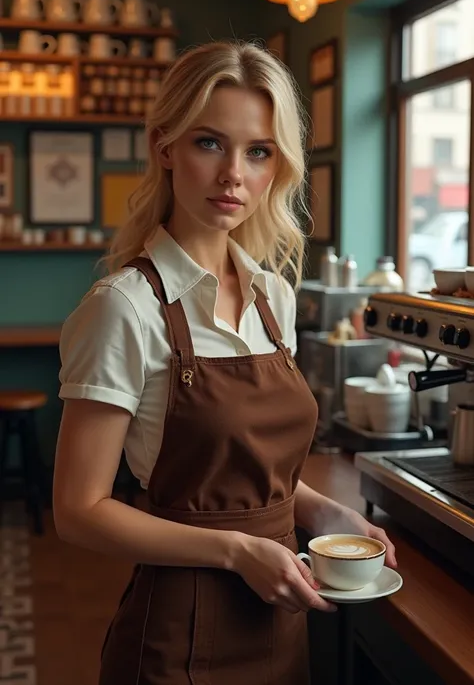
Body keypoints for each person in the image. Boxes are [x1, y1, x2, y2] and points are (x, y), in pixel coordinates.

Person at [53, 40, 396, 685]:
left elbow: (238, 476)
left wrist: (323, 513)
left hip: (281, 615)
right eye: (209, 142)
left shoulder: (275, 298)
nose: (233, 173)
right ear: (166, 148)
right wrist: (239, 552)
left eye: (258, 151)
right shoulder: (124, 308)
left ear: (276, 167)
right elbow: (78, 508)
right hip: (178, 637)